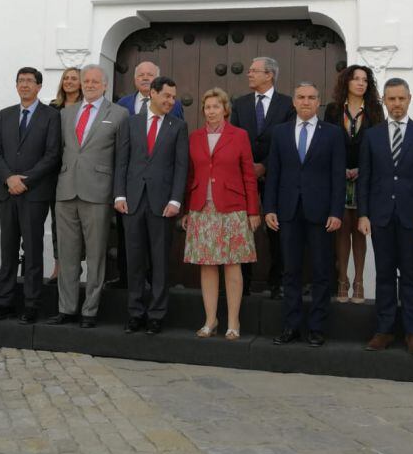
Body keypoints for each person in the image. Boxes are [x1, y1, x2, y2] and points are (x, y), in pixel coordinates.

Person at [358, 78, 413, 356]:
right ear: (384, 100)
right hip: (379, 216)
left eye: (401, 99)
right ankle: (384, 330)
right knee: (383, 274)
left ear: (409, 98)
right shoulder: (372, 135)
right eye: (391, 99)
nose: (396, 104)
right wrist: (363, 214)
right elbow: (365, 179)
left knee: (411, 275)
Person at [263, 83, 345, 347]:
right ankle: (291, 326)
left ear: (318, 102)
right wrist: (270, 208)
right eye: (301, 97)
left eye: (311, 97)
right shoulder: (280, 132)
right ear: (294, 102)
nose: (306, 102)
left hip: (321, 213)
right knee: (291, 271)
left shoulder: (332, 134)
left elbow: (337, 177)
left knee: (321, 271)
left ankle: (317, 328)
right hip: (287, 211)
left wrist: (336, 211)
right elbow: (273, 173)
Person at [49, 64, 128, 328]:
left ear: (105, 85)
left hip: (98, 192)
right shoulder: (66, 114)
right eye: (87, 81)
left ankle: (90, 310)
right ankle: (66, 308)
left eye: (96, 81)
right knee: (68, 255)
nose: (91, 84)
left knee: (95, 255)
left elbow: (121, 159)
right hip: (66, 190)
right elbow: (58, 151)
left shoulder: (119, 114)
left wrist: (118, 193)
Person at [114, 75, 189, 335]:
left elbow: (181, 167)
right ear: (153, 94)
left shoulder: (177, 126)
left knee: (159, 261)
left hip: (163, 204)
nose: (171, 101)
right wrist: (119, 195)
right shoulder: (130, 123)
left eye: (173, 97)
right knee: (133, 260)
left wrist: (176, 199)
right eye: (166, 96)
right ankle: (135, 313)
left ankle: (157, 314)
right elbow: (121, 161)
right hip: (132, 201)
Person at [183, 88, 259, 339]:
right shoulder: (194, 137)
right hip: (202, 209)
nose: (212, 111)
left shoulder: (239, 136)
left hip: (232, 209)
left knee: (232, 264)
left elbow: (249, 175)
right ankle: (210, 319)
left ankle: (233, 322)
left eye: (216, 107)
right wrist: (187, 209)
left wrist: (252, 211)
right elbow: (190, 174)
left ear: (225, 109)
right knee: (207, 265)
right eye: (207, 107)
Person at [0, 67, 61, 324]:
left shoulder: (51, 116)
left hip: (34, 193)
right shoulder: (5, 115)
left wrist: (25, 180)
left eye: (30, 81)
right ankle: (4, 303)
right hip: (7, 192)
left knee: (32, 249)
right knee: (7, 250)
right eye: (21, 81)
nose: (25, 85)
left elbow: (52, 155)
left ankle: (31, 305)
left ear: (39, 86)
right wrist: (9, 178)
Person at [230, 56, 294, 299]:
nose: (249, 74)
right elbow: (235, 137)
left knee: (276, 231)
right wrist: (249, 167)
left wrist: (265, 166)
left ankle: (277, 283)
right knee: (243, 229)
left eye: (254, 71)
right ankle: (242, 283)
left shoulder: (287, 104)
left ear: (269, 75)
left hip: (276, 178)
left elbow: (287, 141)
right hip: (243, 178)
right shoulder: (240, 103)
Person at [323, 65, 384, 304]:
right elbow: (328, 141)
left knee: (360, 228)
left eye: (365, 80)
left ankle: (358, 281)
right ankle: (342, 279)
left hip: (365, 177)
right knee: (342, 228)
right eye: (356, 79)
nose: (360, 83)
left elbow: (378, 143)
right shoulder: (333, 109)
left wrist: (361, 169)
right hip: (338, 177)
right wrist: (341, 170)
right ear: (346, 82)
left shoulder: (375, 110)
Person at [47, 67, 83, 281]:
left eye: (73, 78)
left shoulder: (86, 107)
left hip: (77, 171)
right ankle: (59, 266)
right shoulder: (53, 107)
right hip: (54, 171)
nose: (69, 82)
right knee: (57, 223)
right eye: (66, 78)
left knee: (77, 222)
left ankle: (75, 265)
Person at [118, 61, 185, 117]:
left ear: (158, 79)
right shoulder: (122, 103)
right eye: (141, 75)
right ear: (135, 79)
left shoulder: (174, 105)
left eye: (150, 75)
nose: (145, 78)